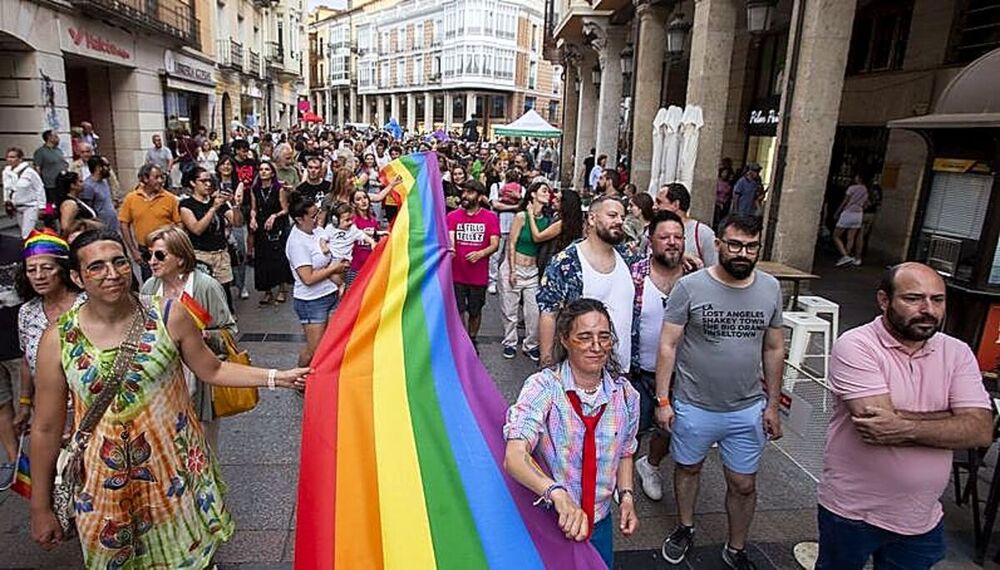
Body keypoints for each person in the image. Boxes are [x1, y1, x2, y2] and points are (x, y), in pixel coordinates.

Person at [28, 229, 309, 565]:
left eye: (119, 262)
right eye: (97, 267)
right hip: (105, 486)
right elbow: (45, 427)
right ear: (77, 276)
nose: (113, 274)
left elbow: (213, 370)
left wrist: (280, 377)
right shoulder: (58, 340)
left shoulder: (168, 315)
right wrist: (40, 507)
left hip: (175, 477)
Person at [816, 262, 992, 570]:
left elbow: (980, 431)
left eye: (937, 300)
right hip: (853, 511)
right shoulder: (857, 345)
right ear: (884, 300)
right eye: (913, 298)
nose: (928, 309)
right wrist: (952, 417)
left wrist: (902, 422)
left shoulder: (958, 352)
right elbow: (876, 427)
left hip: (920, 517)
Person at [655, 214, 785, 569]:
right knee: (688, 468)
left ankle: (736, 547)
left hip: (747, 409)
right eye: (735, 245)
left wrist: (773, 405)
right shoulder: (690, 287)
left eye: (751, 246)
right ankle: (685, 527)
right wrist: (663, 400)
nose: (743, 253)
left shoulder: (771, 288)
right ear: (719, 244)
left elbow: (774, 348)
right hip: (693, 405)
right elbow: (668, 344)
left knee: (743, 483)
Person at [503, 298, 640, 568]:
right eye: (585, 337)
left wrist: (626, 497)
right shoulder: (543, 387)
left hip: (600, 523)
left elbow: (625, 451)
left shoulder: (626, 395)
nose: (597, 347)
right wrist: (556, 493)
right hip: (552, 519)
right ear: (565, 340)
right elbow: (515, 457)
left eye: (604, 337)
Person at [139, 226, 236, 452]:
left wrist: (204, 336)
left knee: (202, 450)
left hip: (197, 381)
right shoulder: (149, 288)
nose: (152, 261)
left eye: (160, 255)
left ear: (181, 259)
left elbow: (229, 332)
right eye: (148, 255)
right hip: (160, 383)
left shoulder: (205, 287)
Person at [538, 195, 635, 372]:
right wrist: (547, 366)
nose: (620, 221)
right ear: (592, 218)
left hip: (621, 372)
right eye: (612, 215)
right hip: (578, 373)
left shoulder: (628, 257)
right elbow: (548, 314)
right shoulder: (566, 263)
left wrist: (683, 256)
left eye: (622, 216)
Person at [630, 210, 687, 502]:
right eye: (665, 237)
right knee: (630, 430)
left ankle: (650, 466)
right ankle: (622, 479)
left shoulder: (696, 280)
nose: (672, 242)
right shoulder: (634, 274)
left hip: (682, 375)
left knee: (668, 429)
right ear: (651, 241)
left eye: (678, 237)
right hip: (637, 372)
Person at [13, 231, 84, 447]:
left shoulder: (87, 303)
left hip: (90, 408)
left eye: (47, 268)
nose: (39, 276)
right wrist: (25, 404)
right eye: (31, 270)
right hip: (48, 411)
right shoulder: (27, 313)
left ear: (62, 270)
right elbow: (27, 360)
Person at [285, 192, 349, 368]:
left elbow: (327, 258)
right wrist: (334, 268)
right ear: (299, 219)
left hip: (329, 295)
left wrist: (338, 280)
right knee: (314, 349)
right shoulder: (297, 243)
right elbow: (308, 278)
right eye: (313, 216)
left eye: (318, 213)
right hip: (311, 302)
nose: (318, 218)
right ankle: (298, 378)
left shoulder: (318, 231)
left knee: (329, 346)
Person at [501, 181, 556, 361]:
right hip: (514, 266)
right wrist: (512, 270)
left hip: (532, 270)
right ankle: (510, 342)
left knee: (533, 312)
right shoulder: (521, 216)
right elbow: (512, 242)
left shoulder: (547, 220)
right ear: (533, 194)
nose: (548, 194)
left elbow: (539, 239)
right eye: (544, 190)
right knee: (510, 309)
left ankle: (530, 344)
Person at [447, 180, 500, 348]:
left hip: (478, 276)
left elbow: (495, 244)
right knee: (459, 310)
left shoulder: (490, 217)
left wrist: (480, 254)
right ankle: (463, 342)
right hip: (456, 274)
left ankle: (472, 338)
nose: (465, 196)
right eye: (464, 192)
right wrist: (452, 248)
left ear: (479, 197)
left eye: (470, 193)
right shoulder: (452, 216)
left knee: (475, 311)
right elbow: (450, 238)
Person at [179, 167, 239, 308]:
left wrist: (235, 205)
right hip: (201, 256)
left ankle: (227, 319)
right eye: (203, 181)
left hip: (221, 254)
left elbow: (237, 222)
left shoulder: (217, 201)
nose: (208, 184)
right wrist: (213, 209)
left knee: (224, 290)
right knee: (203, 293)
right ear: (193, 183)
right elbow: (197, 229)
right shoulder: (186, 205)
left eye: (210, 180)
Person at [118, 164, 181, 282]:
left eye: (162, 177)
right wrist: (133, 251)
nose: (161, 181)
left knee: (171, 281)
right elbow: (124, 224)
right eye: (156, 177)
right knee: (150, 285)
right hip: (144, 250)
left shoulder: (170, 198)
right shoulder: (131, 198)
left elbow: (179, 224)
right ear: (145, 179)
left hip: (167, 249)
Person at [0, 231, 25, 489]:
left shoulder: (16, 247)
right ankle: (13, 461)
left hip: (19, 347)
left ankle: (52, 461)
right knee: (1, 406)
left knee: (34, 408)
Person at [250, 161, 293, 305]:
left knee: (278, 257)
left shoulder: (278, 189)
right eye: (261, 169)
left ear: (272, 173)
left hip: (276, 225)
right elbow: (254, 207)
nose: (263, 172)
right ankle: (267, 291)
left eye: (266, 169)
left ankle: (282, 289)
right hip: (261, 225)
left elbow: (285, 209)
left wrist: (274, 216)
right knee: (262, 258)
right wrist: (253, 218)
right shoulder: (255, 189)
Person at [657, 183, 719, 267]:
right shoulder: (654, 229)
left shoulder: (703, 233)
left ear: (675, 205)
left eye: (659, 202)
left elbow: (713, 269)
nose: (654, 207)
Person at [217, 156, 250, 300]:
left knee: (239, 254)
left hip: (236, 219)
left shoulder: (239, 184)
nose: (226, 167)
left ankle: (241, 285)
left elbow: (242, 202)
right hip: (220, 221)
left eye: (229, 164)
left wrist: (233, 200)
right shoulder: (214, 183)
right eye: (223, 164)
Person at [488, 168, 523, 294]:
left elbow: (524, 204)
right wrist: (514, 206)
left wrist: (517, 199)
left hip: (516, 226)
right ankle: (492, 280)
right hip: (499, 225)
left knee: (512, 255)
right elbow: (495, 204)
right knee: (495, 255)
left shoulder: (521, 189)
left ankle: (509, 280)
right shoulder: (496, 186)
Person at [3, 147, 47, 238]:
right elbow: (6, 189)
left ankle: (29, 251)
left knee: (27, 234)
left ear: (20, 158)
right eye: (8, 157)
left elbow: (39, 188)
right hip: (17, 207)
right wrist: (7, 202)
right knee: (23, 231)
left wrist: (42, 207)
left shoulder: (30, 172)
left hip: (30, 206)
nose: (10, 160)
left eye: (13, 157)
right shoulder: (6, 172)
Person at [346, 189, 381, 288]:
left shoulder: (373, 220)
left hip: (371, 266)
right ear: (353, 203)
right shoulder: (352, 221)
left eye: (365, 198)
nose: (363, 201)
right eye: (358, 199)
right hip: (355, 267)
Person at [833, 174, 869, 267]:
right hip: (858, 214)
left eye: (856, 177)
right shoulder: (865, 189)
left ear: (859, 178)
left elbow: (845, 201)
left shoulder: (852, 188)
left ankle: (845, 255)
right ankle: (847, 256)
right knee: (851, 237)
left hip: (848, 212)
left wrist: (838, 211)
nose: (855, 178)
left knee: (836, 235)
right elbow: (865, 204)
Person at [79, 156, 119, 233]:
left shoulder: (104, 181)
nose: (109, 169)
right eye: (106, 166)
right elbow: (88, 210)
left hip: (113, 225)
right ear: (98, 168)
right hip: (101, 228)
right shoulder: (88, 186)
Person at [33, 130, 68, 204]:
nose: (58, 138)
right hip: (49, 184)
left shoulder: (58, 150)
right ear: (49, 137)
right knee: (49, 202)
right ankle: (49, 214)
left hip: (61, 182)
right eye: (56, 136)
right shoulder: (40, 152)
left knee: (60, 202)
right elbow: (37, 168)